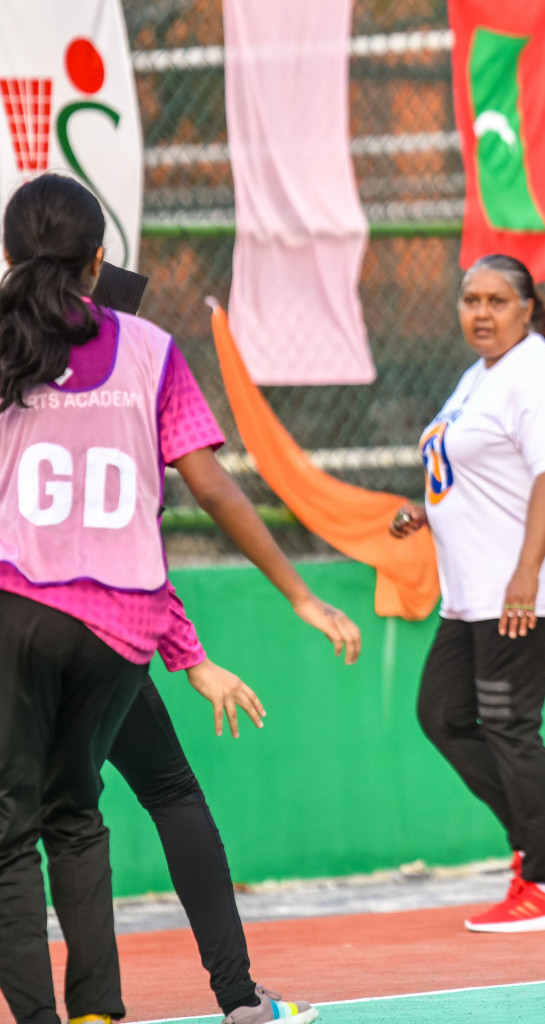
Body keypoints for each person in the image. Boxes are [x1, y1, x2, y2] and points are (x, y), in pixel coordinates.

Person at [0, 174, 358, 1024]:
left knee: (12, 832)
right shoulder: (150, 348)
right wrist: (297, 594)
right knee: (81, 814)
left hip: (19, 609)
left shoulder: (11, 343)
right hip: (121, 630)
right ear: (96, 264)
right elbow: (209, 493)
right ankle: (124, 1008)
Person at [391, 254, 545, 933]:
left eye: (497, 300)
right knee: (443, 714)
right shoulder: (480, 376)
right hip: (472, 590)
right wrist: (427, 508)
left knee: (509, 725)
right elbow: (469, 464)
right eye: (469, 298)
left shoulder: (540, 376)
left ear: (528, 308)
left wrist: (526, 575)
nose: (480, 312)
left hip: (520, 588)